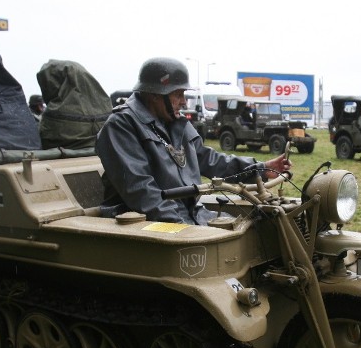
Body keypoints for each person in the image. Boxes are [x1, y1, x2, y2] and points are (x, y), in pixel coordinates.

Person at [96, 57, 291, 225]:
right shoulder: (121, 125)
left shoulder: (174, 122)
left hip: (190, 215)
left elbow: (208, 159)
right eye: (178, 94)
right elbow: (140, 190)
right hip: (146, 223)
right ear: (155, 94)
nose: (184, 102)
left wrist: (260, 168)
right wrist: (185, 227)